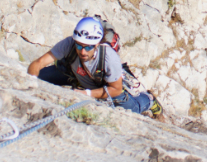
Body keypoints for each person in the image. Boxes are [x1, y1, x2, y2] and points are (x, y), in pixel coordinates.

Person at [28, 17, 161, 117]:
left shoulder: (109, 57)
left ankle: (149, 100)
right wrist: (32, 83)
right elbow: (38, 63)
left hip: (105, 86)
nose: (82, 51)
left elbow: (116, 89)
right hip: (76, 75)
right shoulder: (69, 44)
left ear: (96, 44)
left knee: (133, 108)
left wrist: (87, 94)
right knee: (41, 75)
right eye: (79, 45)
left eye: (88, 47)